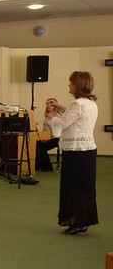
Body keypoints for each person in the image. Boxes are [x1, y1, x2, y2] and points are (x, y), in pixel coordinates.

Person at [53, 71, 98, 235]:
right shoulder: (90, 103)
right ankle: (83, 222)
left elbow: (62, 123)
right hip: (88, 151)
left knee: (72, 188)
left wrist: (52, 117)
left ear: (78, 85)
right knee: (84, 188)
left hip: (75, 152)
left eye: (71, 82)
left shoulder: (77, 104)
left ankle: (76, 224)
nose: (69, 85)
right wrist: (60, 106)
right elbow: (75, 114)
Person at [35, 98, 62, 172]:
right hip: (46, 137)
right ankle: (38, 165)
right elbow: (45, 129)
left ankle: (47, 167)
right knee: (35, 145)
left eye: (51, 104)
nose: (48, 106)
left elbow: (57, 130)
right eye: (47, 104)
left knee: (42, 148)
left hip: (56, 138)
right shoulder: (47, 116)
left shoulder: (57, 116)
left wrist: (47, 138)